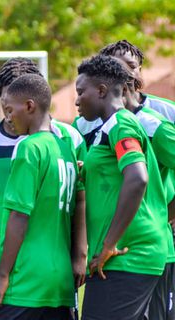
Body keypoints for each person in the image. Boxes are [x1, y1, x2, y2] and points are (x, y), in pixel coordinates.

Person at [0, 58, 87, 320]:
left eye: (10, 109)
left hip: (23, 275)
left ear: (29, 105)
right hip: (57, 279)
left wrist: (3, 275)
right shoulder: (61, 147)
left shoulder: (30, 147)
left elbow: (19, 215)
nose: (7, 117)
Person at [75, 55, 167, 320]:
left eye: (81, 92)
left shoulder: (121, 123)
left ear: (102, 91)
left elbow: (137, 177)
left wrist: (108, 244)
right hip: (127, 256)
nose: (77, 99)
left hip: (128, 254)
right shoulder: (109, 127)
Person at [114, 57, 175, 320]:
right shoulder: (87, 122)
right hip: (108, 247)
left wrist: (167, 214)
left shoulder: (159, 117)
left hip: (150, 245)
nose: (125, 71)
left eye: (131, 64)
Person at [73, 39, 175, 147]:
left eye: (131, 66)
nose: (124, 71)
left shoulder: (167, 112)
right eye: (115, 66)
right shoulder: (84, 123)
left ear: (139, 70)